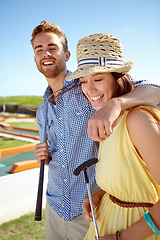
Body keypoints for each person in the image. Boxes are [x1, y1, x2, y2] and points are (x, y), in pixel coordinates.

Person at [31, 21, 160, 240]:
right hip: (55, 205)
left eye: (53, 47)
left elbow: (155, 92)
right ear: (34, 57)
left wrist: (116, 104)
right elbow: (60, 154)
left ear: (67, 54)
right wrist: (45, 156)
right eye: (39, 49)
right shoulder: (42, 110)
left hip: (89, 213)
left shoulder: (89, 92)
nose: (46, 54)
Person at [66, 33, 160, 240]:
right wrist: (101, 194)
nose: (90, 89)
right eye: (83, 81)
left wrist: (122, 238)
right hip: (106, 219)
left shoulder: (136, 120)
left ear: (118, 78)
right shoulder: (107, 121)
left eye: (98, 79)